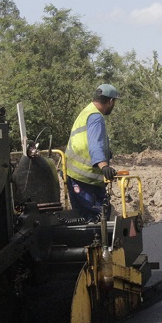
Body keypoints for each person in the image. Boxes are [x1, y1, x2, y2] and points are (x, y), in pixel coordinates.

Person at [65, 83, 120, 222]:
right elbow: (95, 145)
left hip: (74, 175)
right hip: (86, 179)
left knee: (81, 218)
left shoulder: (86, 112)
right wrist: (104, 166)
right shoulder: (96, 117)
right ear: (111, 101)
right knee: (97, 219)